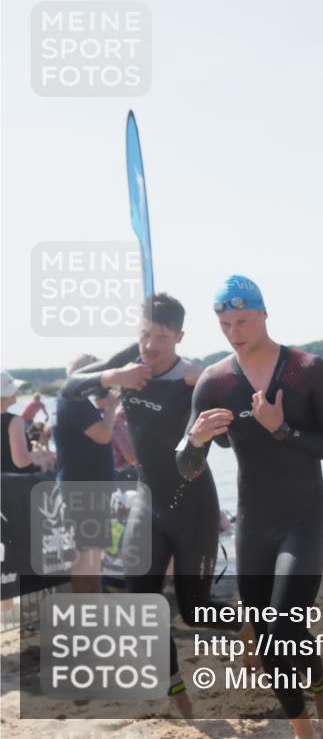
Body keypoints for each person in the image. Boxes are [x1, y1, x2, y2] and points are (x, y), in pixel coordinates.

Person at [61, 293, 254, 716]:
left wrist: (208, 403)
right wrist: (116, 376)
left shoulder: (195, 379)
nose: (150, 345)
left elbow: (224, 439)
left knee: (195, 610)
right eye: (146, 334)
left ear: (179, 337)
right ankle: (175, 690)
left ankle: (245, 626)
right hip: (149, 502)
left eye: (161, 337)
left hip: (193, 504)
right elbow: (72, 389)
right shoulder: (132, 363)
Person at [177, 275, 323, 738]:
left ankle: (322, 693)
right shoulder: (215, 382)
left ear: (264, 314)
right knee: (269, 636)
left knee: (281, 626)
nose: (234, 330)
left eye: (243, 319)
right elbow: (187, 467)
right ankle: (303, 722)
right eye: (224, 322)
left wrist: (282, 430)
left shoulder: (307, 370)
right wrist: (193, 441)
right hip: (254, 524)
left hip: (304, 516)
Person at [53, 355, 118, 594]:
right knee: (88, 558)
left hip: (86, 489)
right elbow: (102, 435)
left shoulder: (72, 400)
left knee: (91, 557)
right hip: (85, 490)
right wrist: (111, 409)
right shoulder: (74, 400)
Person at [2, 371, 35, 474]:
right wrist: (38, 455)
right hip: (11, 483)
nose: (16, 392)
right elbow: (21, 462)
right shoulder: (14, 421)